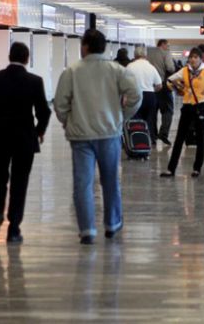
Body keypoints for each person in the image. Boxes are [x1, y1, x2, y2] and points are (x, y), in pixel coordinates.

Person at [54, 29, 141, 245]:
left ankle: (87, 230)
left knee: (83, 184)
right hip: (109, 134)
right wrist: (122, 116)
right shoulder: (117, 70)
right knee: (110, 180)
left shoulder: (71, 71)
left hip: (81, 136)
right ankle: (112, 224)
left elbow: (60, 104)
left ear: (84, 47)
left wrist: (68, 121)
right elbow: (135, 95)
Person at [0, 42, 51, 244]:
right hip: (24, 139)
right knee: (20, 182)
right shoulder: (34, 81)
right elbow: (44, 111)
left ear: (9, 56)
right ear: (27, 59)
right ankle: (14, 228)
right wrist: (39, 132)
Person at [159, 47, 204, 178]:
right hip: (187, 106)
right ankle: (171, 169)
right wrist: (177, 88)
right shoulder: (184, 71)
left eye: (195, 57)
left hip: (200, 105)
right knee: (179, 138)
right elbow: (169, 81)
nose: (193, 59)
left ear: (200, 59)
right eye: (191, 57)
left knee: (201, 138)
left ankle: (197, 168)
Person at [125, 45, 162, 143]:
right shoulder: (151, 67)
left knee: (135, 119)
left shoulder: (130, 66)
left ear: (135, 55)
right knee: (150, 119)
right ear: (145, 55)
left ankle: (138, 141)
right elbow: (159, 85)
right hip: (150, 96)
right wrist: (152, 90)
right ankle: (151, 140)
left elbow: (124, 83)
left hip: (135, 95)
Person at [147, 39, 176, 145]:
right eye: (167, 45)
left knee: (152, 113)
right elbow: (170, 68)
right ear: (162, 44)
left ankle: (152, 136)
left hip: (150, 87)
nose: (168, 48)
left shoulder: (148, 52)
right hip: (163, 86)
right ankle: (163, 134)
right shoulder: (166, 53)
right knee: (168, 110)